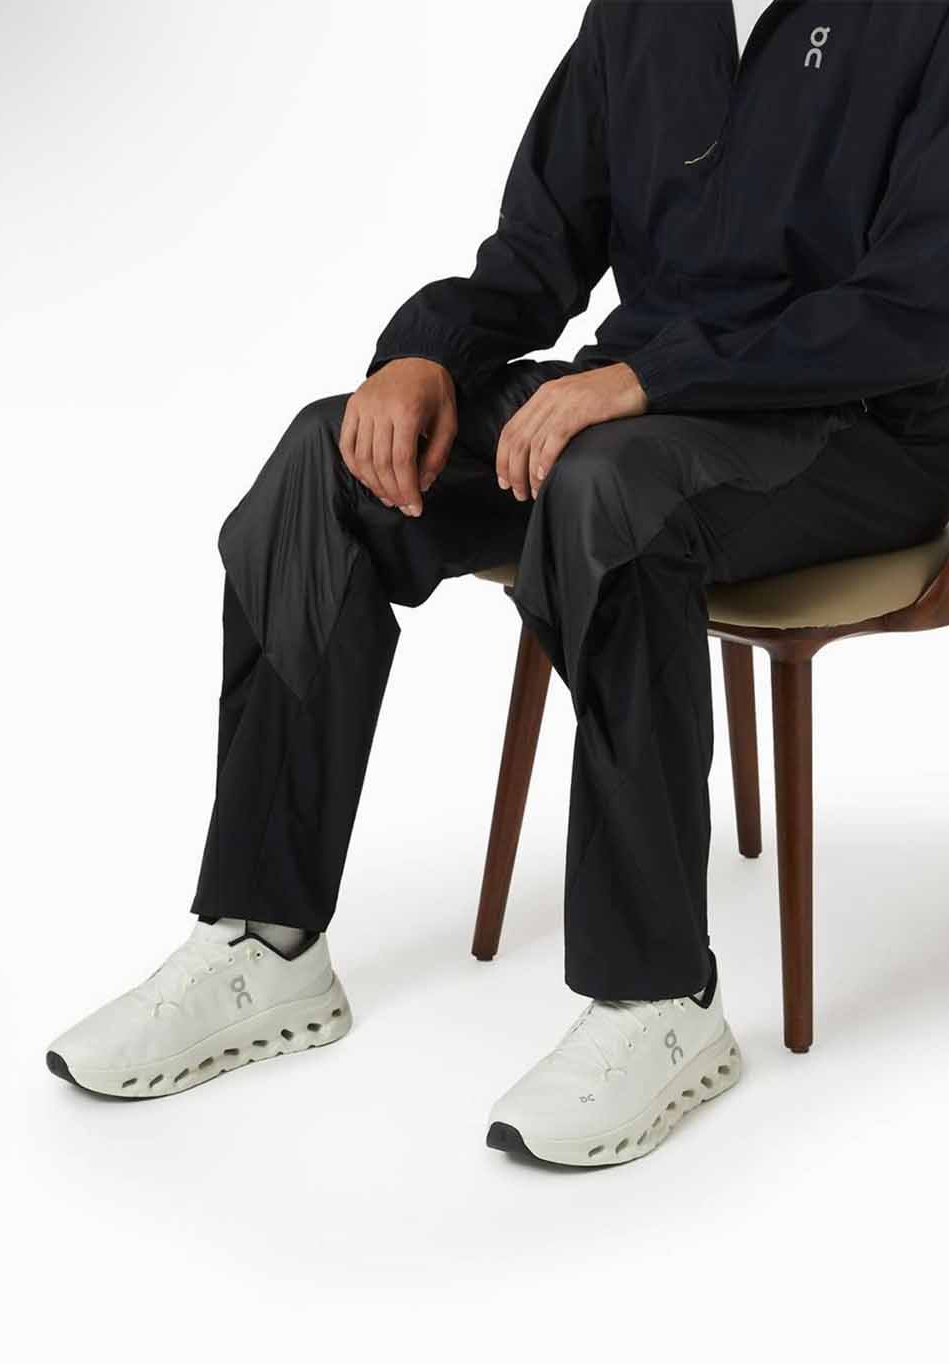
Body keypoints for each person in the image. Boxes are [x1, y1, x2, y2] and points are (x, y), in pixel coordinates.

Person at [46, 0, 949, 1165]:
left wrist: (648, 379)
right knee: (328, 465)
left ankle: (660, 999)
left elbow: (916, 307)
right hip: (644, 413)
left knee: (612, 497)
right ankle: (265, 940)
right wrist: (423, 352)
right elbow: (538, 247)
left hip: (869, 431)